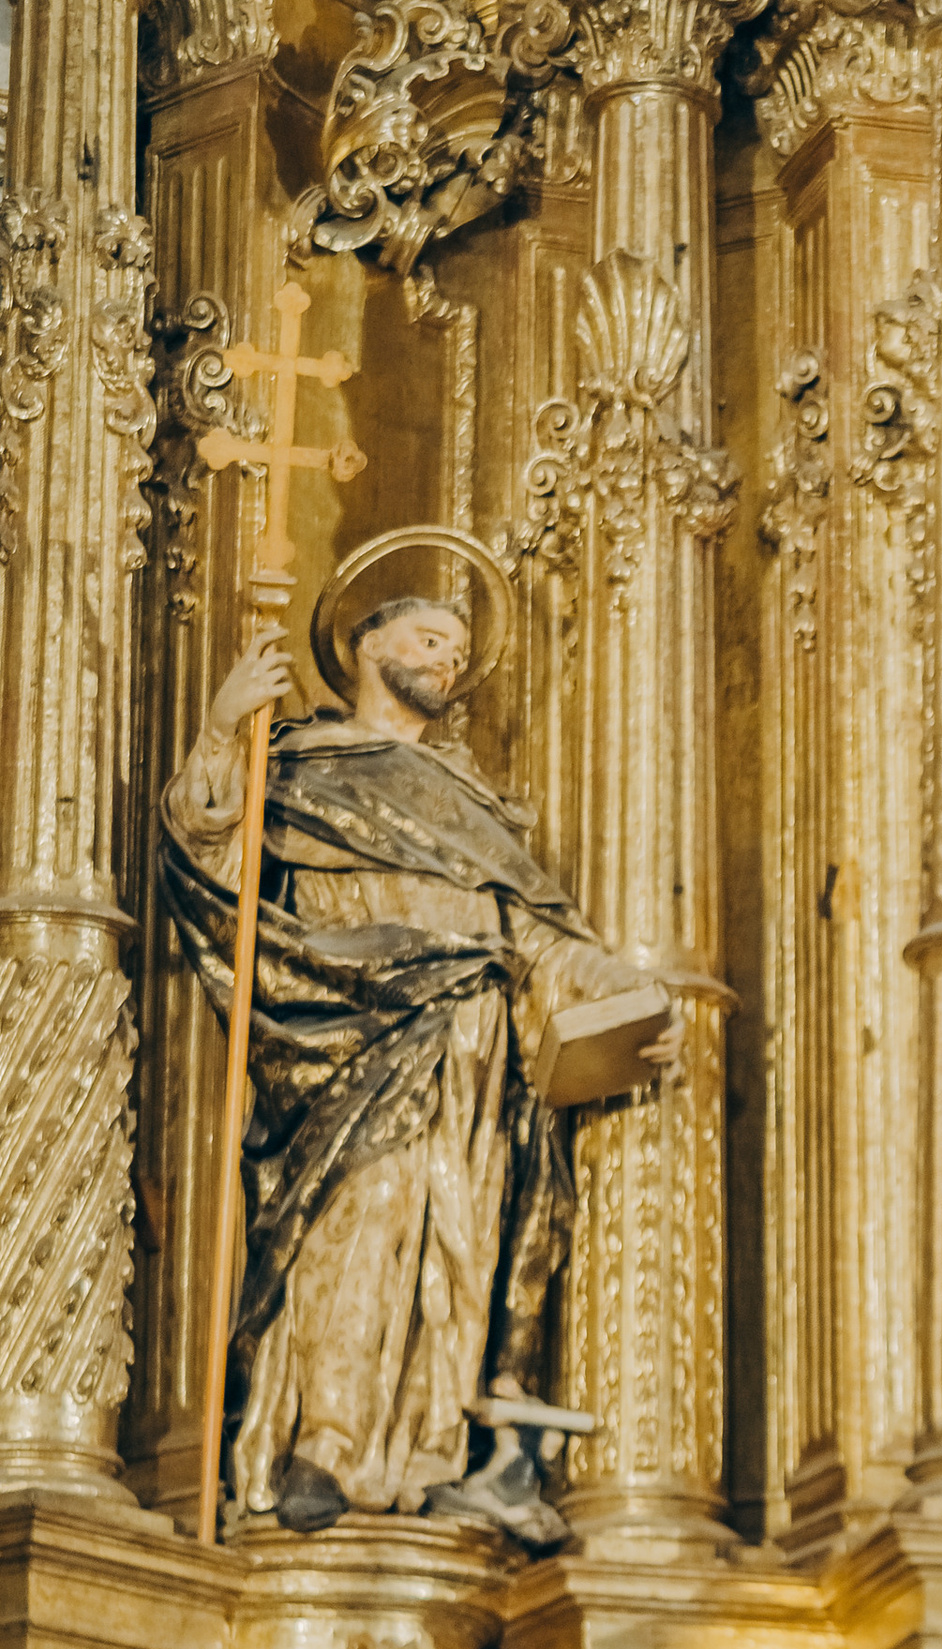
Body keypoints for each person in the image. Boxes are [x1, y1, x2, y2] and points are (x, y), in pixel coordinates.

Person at [163, 598, 670, 1539]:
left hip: (472, 1055)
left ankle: (430, 1452)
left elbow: (536, 937)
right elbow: (207, 857)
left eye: (458, 649)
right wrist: (221, 727)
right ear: (365, 647)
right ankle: (327, 1441)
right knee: (367, 1216)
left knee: (459, 1242)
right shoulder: (299, 763)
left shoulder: (472, 802)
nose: (447, 659)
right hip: (347, 1039)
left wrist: (627, 1000)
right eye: (427, 639)